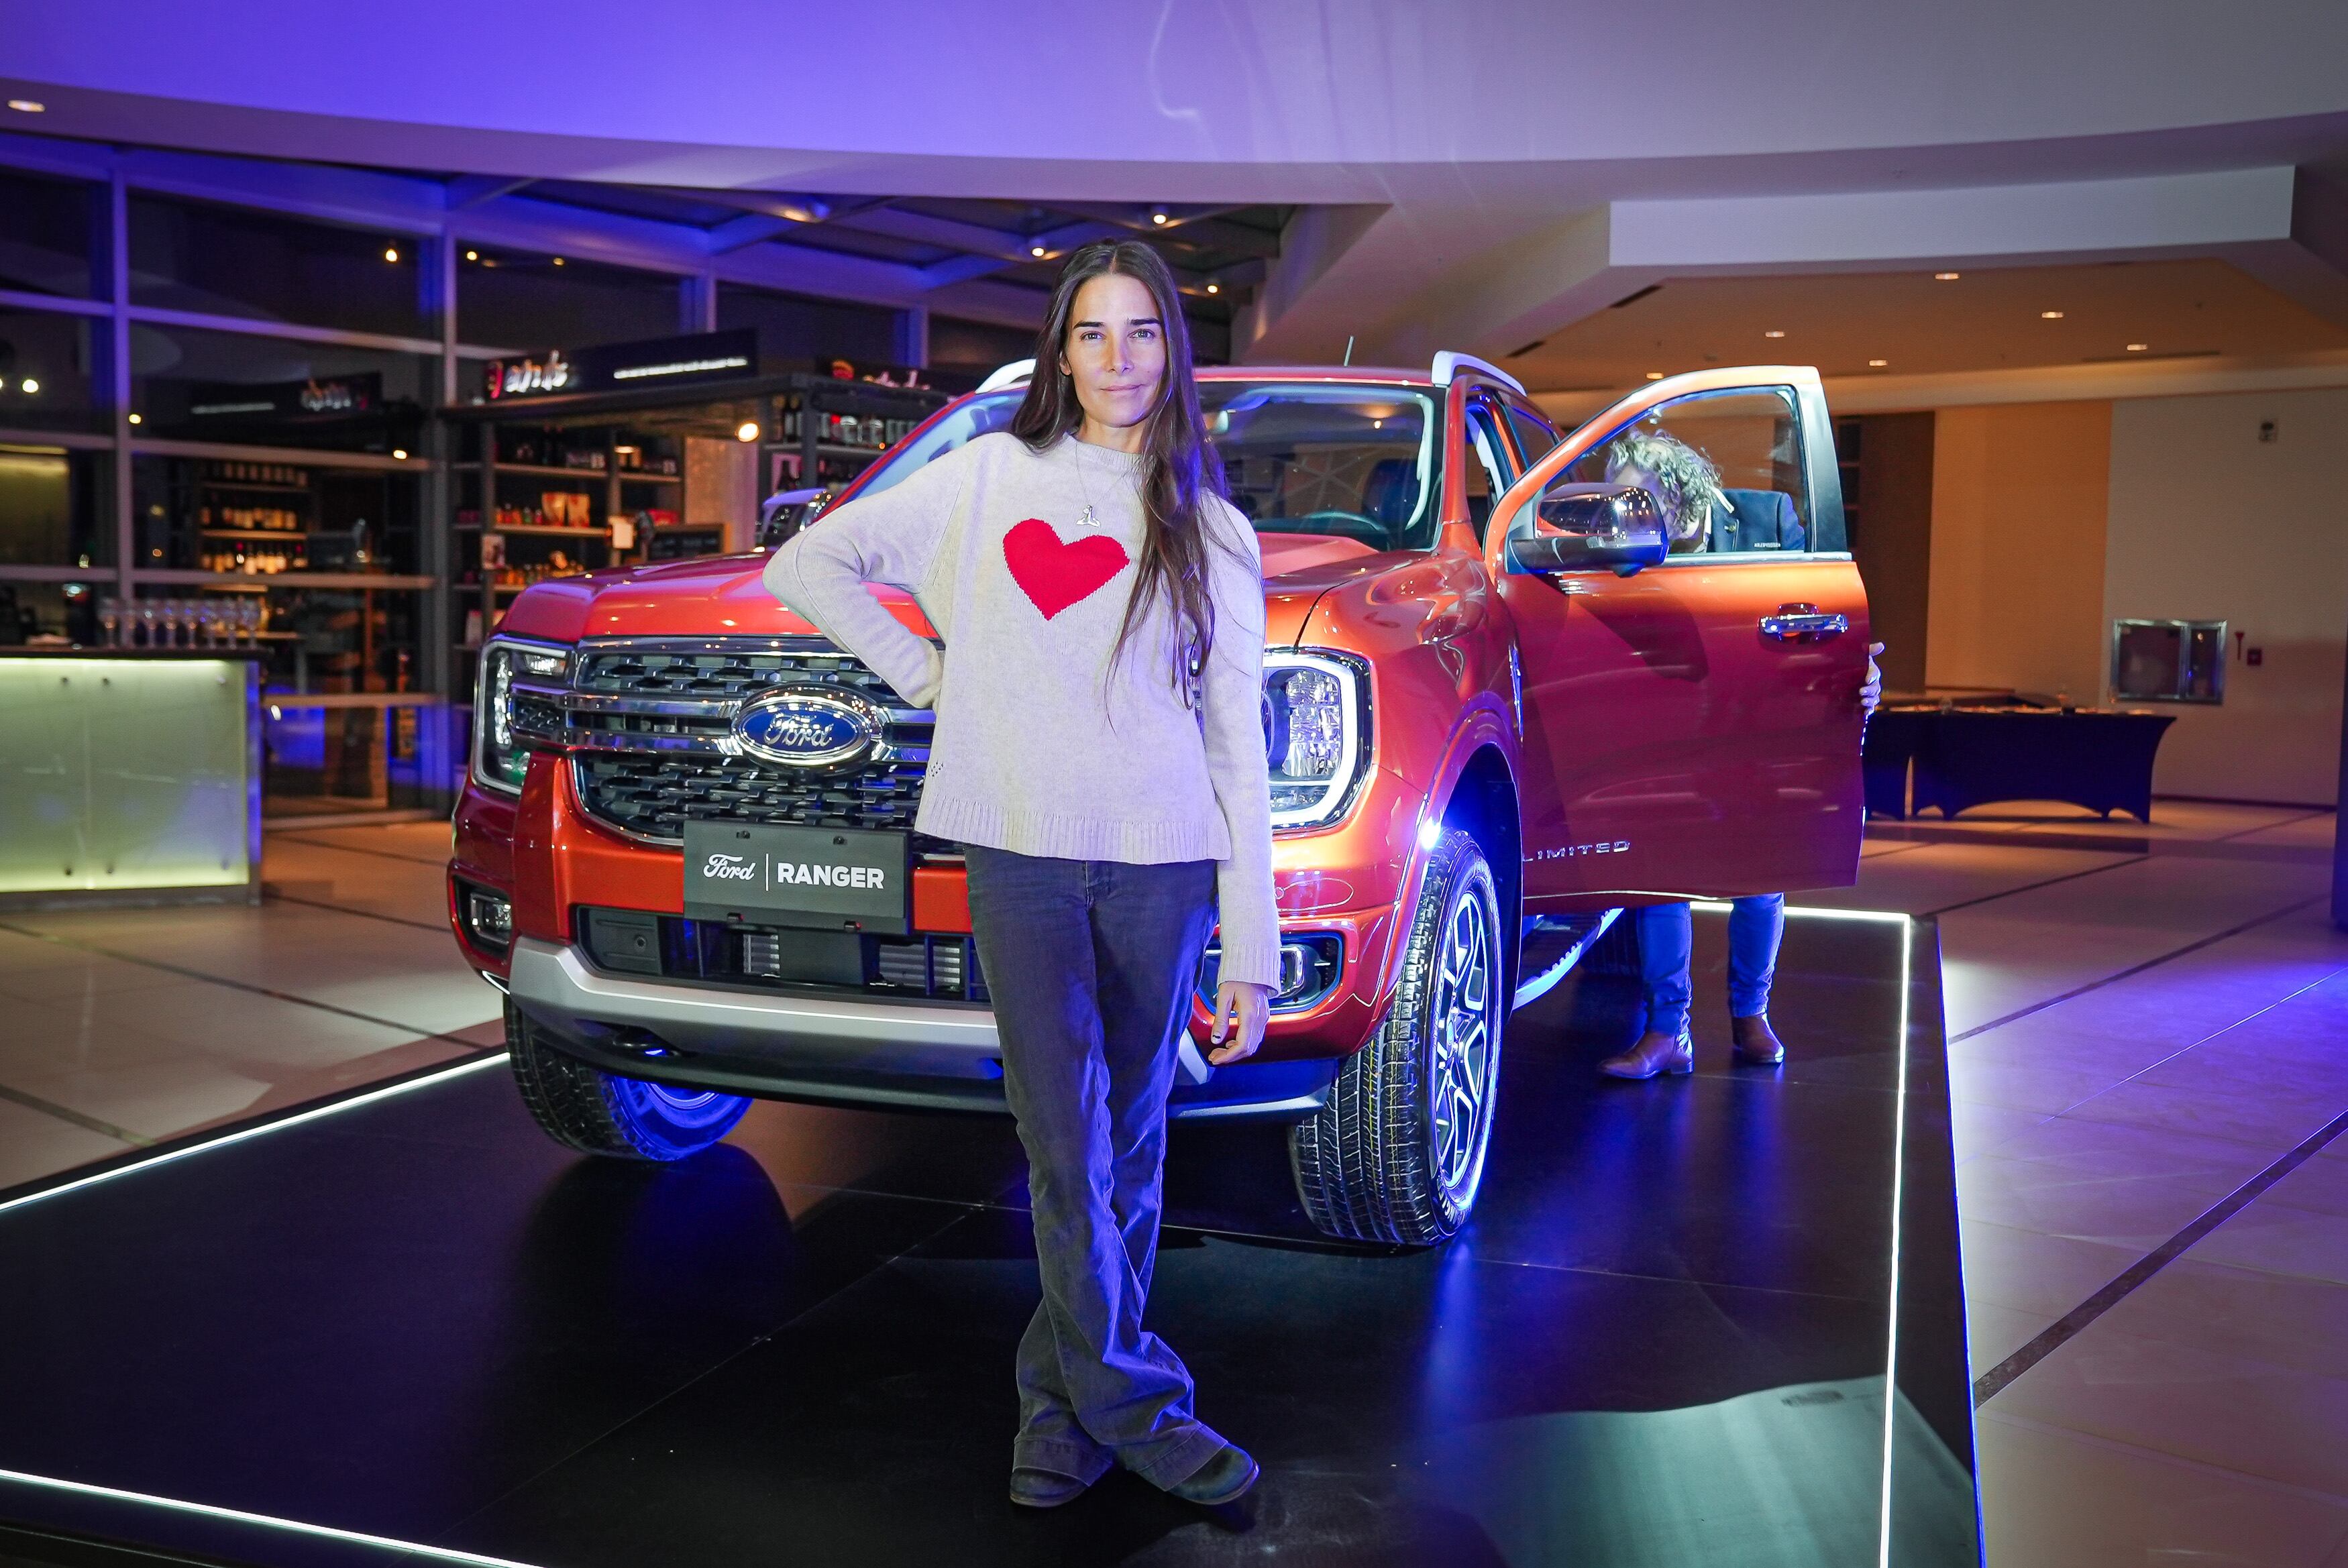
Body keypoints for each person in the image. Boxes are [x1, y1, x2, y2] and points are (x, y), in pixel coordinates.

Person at [765, 241, 1275, 1510]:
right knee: (1062, 1144)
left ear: (1174, 350)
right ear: (1059, 353)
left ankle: (1061, 1404)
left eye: (1143, 332)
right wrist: (939, 680)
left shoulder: (1211, 529)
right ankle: (1137, 1403)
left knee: (1135, 1143)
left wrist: (1255, 947)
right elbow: (806, 565)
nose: (1118, 359)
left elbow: (1235, 748)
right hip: (1025, 861)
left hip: (1165, 866)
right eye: (1093, 334)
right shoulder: (986, 478)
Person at [1595, 429, 1882, 1078]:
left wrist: (1864, 676)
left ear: (1675, 487)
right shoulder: (1635, 551)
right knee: (1657, 876)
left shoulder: (1767, 519)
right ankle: (1667, 1032)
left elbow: (1825, 619)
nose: (1626, 516)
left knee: (1759, 874)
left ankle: (1750, 1015)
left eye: (1636, 499)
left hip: (1760, 730)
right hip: (1674, 732)